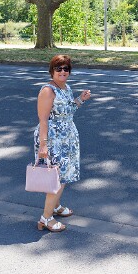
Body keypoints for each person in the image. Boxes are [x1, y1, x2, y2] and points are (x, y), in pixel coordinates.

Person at [34, 55, 91, 232]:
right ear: (52, 71)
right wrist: (43, 145)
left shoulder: (66, 87)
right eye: (58, 68)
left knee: (63, 175)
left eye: (66, 68)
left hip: (67, 138)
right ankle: (46, 218)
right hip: (53, 139)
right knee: (56, 178)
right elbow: (43, 120)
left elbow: (69, 110)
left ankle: (56, 206)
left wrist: (80, 99)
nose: (63, 71)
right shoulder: (48, 90)